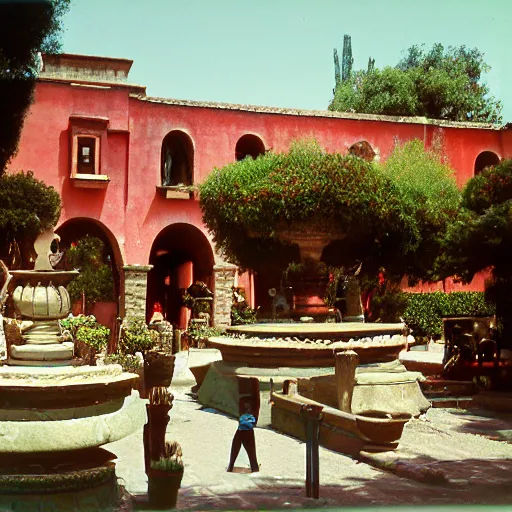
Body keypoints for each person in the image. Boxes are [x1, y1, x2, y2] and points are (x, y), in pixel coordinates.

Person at [227, 401, 259, 472]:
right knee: (252, 455)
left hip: (244, 427)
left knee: (239, 440)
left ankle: (231, 467)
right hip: (247, 427)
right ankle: (254, 468)